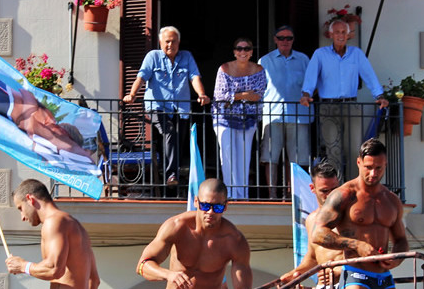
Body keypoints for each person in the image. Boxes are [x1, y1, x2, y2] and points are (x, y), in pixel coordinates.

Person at [0, 23, 97, 164]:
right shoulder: (50, 131)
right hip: (6, 100)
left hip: (5, 96)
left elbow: (27, 97)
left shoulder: (47, 133)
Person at [311, 138, 407, 289]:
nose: (373, 173)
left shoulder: (391, 201)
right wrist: (356, 245)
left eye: (379, 168)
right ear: (358, 163)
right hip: (355, 274)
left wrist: (395, 259)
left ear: (385, 165)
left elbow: (401, 240)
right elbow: (318, 233)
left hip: (383, 278)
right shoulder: (344, 195)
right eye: (368, 167)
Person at [122, 26, 211, 186]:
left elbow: (194, 77)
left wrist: (201, 94)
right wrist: (132, 94)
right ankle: (171, 175)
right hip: (156, 106)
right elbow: (141, 77)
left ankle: (171, 174)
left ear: (179, 42)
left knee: (178, 139)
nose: (170, 45)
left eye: (174, 41)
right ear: (160, 42)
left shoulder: (186, 56)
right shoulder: (153, 56)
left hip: (181, 107)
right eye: (167, 41)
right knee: (169, 131)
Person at [299, 20, 389, 178]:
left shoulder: (356, 54)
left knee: (355, 149)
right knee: (333, 150)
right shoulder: (320, 54)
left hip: (351, 105)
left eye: (343, 32)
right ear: (330, 35)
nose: (340, 35)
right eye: (337, 32)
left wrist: (380, 96)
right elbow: (310, 77)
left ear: (348, 35)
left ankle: (354, 185)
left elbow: (369, 76)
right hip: (328, 107)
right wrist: (306, 94)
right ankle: (338, 187)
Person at [278, 162, 343, 289]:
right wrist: (295, 272)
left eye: (334, 189)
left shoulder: (349, 217)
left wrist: (338, 271)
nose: (330, 196)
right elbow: (312, 257)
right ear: (312, 188)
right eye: (324, 191)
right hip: (321, 288)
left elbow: (359, 251)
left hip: (343, 286)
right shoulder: (312, 219)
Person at [259, 25, 312, 199]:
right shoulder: (264, 61)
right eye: (281, 38)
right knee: (271, 157)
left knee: (297, 159)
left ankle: (292, 195)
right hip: (273, 114)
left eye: (289, 38)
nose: (285, 41)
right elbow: (258, 88)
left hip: (299, 115)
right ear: (275, 40)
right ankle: (272, 194)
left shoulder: (303, 59)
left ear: (293, 40)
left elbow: (312, 83)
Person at [212, 37, 266, 200]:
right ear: (234, 52)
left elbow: (258, 94)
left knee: (244, 157)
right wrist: (244, 95)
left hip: (248, 119)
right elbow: (220, 96)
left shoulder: (259, 69)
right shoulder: (224, 68)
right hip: (224, 118)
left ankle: (242, 196)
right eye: (239, 49)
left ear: (251, 52)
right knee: (228, 155)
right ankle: (229, 195)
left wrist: (234, 96)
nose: (243, 52)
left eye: (247, 48)